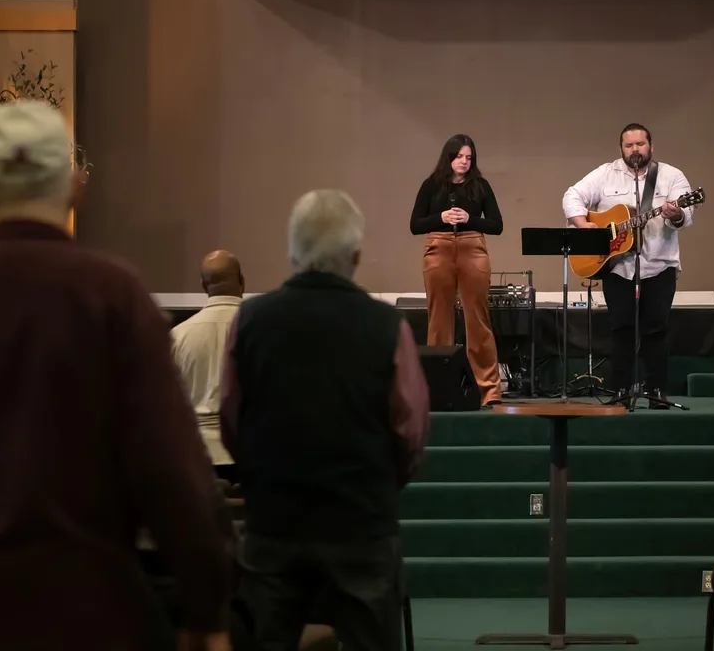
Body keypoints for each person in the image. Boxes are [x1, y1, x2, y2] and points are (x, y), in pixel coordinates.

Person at [0, 102, 230, 651]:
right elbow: (172, 472)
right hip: (88, 611)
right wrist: (207, 613)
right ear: (74, 187)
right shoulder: (113, 296)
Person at [222, 189, 430, 651]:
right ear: (355, 257)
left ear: (292, 253)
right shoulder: (386, 325)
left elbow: (231, 418)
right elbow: (410, 430)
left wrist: (262, 477)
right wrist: (378, 483)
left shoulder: (250, 319)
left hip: (274, 523)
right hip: (362, 522)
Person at [562, 123, 695, 406]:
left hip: (659, 266)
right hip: (619, 267)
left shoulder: (671, 176)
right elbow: (571, 195)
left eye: (640, 144)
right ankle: (620, 390)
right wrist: (585, 225)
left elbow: (687, 217)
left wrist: (676, 213)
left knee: (656, 329)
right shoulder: (605, 173)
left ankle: (657, 391)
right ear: (621, 148)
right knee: (621, 328)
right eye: (629, 145)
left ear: (651, 146)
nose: (635, 150)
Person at [410, 134, 504, 406]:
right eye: (459, 156)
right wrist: (440, 217)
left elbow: (497, 225)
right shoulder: (432, 185)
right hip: (438, 248)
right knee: (439, 319)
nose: (464, 162)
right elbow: (415, 224)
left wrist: (469, 218)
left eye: (468, 157)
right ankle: (439, 389)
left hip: (472, 246)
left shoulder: (480, 186)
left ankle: (488, 390)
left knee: (478, 319)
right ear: (448, 157)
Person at [172, 250, 245, 472]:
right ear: (242, 281)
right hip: (247, 454)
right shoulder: (262, 331)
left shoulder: (177, 336)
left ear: (203, 286)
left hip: (196, 456)